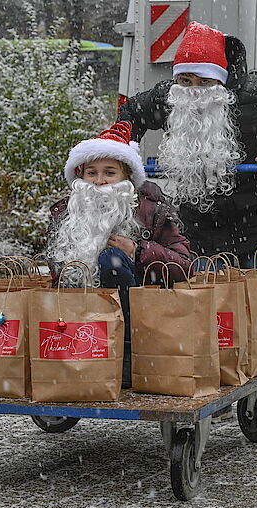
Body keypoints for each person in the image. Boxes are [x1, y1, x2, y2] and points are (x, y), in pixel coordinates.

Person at [118, 21, 257, 422]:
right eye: (184, 80)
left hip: (256, 217)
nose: (192, 89)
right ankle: (208, 375)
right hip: (198, 219)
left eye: (202, 81)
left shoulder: (254, 93)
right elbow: (130, 112)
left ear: (219, 80)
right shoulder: (169, 96)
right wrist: (124, 149)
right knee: (202, 301)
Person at [45, 120, 192, 387]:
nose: (99, 181)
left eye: (109, 172)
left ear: (127, 177)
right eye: (91, 172)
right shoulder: (65, 213)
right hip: (77, 317)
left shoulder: (152, 209)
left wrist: (138, 251)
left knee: (110, 260)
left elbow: (184, 266)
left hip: (139, 318)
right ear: (80, 176)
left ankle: (125, 355)